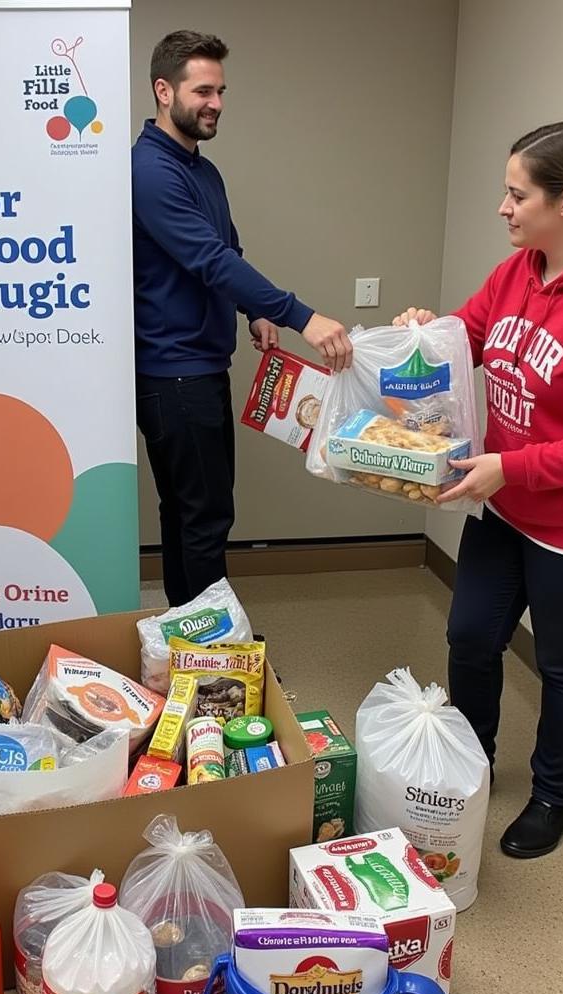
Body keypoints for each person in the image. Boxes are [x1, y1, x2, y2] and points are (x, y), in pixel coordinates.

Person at [395, 121, 563, 859]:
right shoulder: (521, 268)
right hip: (510, 505)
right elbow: (469, 337)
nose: (504, 207)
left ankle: (555, 798)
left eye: (518, 194)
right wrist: (428, 333)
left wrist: (512, 467)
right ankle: (473, 760)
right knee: (470, 636)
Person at [132, 30, 353, 606]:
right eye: (203, 90)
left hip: (197, 369)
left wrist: (255, 310)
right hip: (173, 374)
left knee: (189, 513)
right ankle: (210, 656)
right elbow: (206, 260)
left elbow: (225, 250)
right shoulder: (151, 173)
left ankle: (187, 642)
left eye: (222, 91)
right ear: (164, 90)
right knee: (203, 517)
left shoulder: (201, 170)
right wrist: (304, 317)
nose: (217, 104)